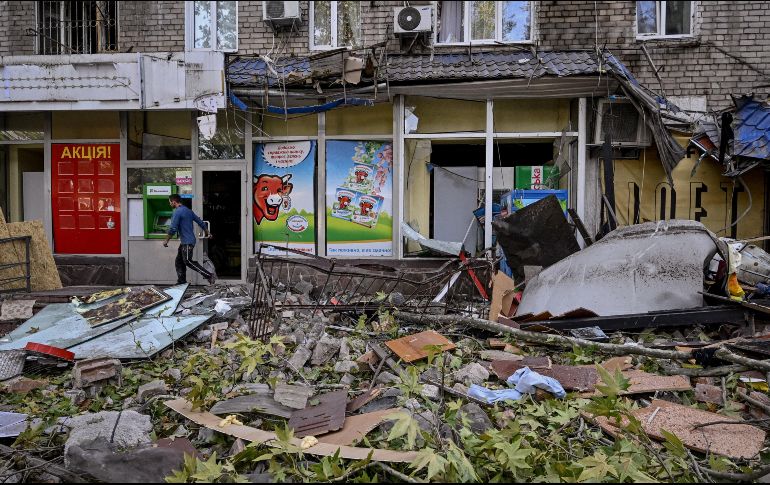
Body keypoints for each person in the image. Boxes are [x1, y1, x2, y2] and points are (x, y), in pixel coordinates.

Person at [163, 194, 216, 285]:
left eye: (170, 202)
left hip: (187, 242)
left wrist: (166, 240)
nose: (169, 204)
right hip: (186, 241)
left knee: (187, 261)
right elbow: (200, 222)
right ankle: (181, 281)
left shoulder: (177, 212)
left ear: (174, 202)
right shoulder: (188, 211)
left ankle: (209, 275)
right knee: (179, 261)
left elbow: (172, 228)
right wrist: (208, 232)